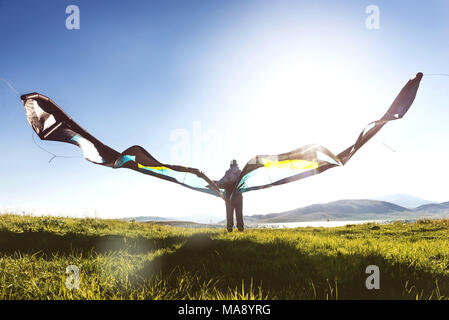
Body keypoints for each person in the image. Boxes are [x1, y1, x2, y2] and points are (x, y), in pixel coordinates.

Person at [216, 160, 244, 232]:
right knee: (239, 213)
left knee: (229, 213)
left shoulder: (228, 172)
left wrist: (214, 184)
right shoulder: (240, 172)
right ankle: (240, 228)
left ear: (230, 165)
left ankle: (229, 229)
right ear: (237, 165)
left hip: (229, 196)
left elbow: (222, 181)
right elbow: (243, 183)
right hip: (238, 195)